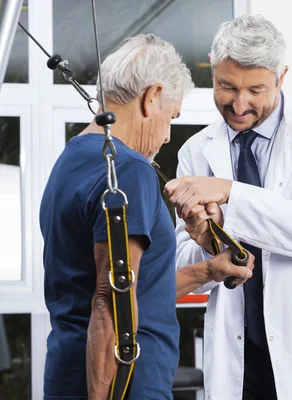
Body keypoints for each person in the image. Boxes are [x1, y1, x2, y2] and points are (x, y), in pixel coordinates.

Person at [163, 14, 292, 400]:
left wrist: (231, 193)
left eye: (256, 90)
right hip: (239, 355)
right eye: (226, 86)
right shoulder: (196, 151)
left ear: (281, 78)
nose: (239, 105)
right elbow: (184, 262)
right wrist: (208, 242)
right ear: (213, 69)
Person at [40, 34, 253, 400]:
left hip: (68, 375)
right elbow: (109, 300)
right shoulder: (127, 168)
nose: (168, 136)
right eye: (171, 117)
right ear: (151, 97)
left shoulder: (69, 160)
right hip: (120, 388)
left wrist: (207, 271)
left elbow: (133, 290)